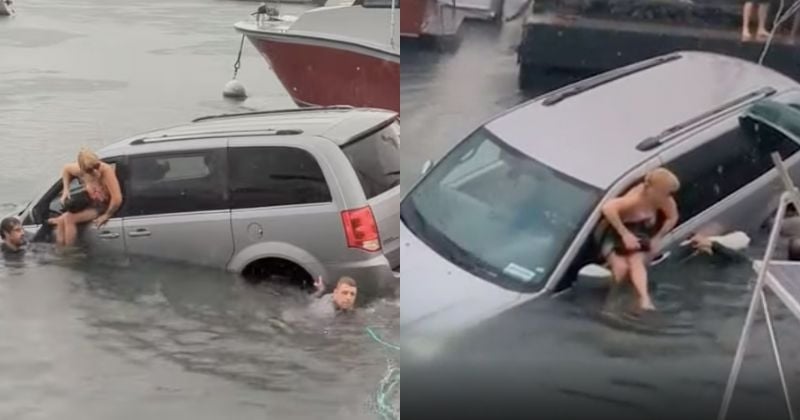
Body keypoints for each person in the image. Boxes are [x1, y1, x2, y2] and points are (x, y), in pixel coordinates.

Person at [599, 168, 680, 311]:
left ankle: (644, 299)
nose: (669, 197)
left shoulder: (665, 201)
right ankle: (609, 303)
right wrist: (624, 234)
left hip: (639, 231)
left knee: (636, 261)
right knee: (621, 267)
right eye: (667, 193)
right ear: (655, 190)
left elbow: (672, 217)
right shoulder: (635, 199)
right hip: (615, 232)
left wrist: (658, 237)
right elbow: (608, 208)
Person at [47, 148, 122, 247]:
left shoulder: (106, 171)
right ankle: (60, 248)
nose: (95, 171)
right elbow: (66, 169)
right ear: (82, 169)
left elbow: (117, 199)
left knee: (69, 218)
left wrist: (107, 215)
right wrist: (66, 190)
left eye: (96, 166)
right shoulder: (82, 170)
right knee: (61, 221)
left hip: (102, 205)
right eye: (90, 170)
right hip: (89, 201)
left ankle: (69, 253)